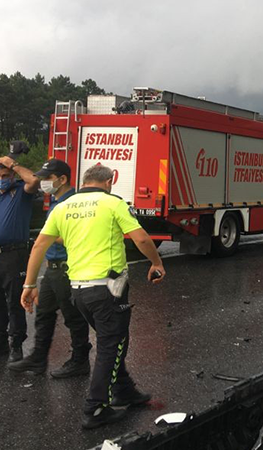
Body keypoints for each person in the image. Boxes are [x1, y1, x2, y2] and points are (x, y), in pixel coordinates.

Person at [21, 165, 166, 429]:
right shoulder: (113, 203)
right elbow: (141, 238)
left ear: (84, 181)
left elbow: (40, 244)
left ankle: (124, 390)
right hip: (109, 286)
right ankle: (96, 408)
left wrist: (29, 284)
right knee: (113, 343)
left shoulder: (63, 207)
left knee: (112, 340)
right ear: (109, 182)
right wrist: (156, 263)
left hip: (77, 289)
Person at [9, 159, 92, 377]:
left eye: (48, 178)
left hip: (68, 269)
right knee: (43, 314)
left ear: (62, 179)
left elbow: (79, 236)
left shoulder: (75, 203)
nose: (44, 182)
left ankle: (80, 360)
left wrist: (49, 237)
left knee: (73, 316)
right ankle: (38, 358)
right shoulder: (55, 203)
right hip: (52, 269)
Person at [0, 154, 38, 362]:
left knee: (15, 300)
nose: (3, 178)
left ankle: (16, 344)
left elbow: (34, 180)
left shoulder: (20, 191)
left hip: (14, 254)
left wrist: (12, 163)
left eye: (6, 175)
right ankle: (1, 343)